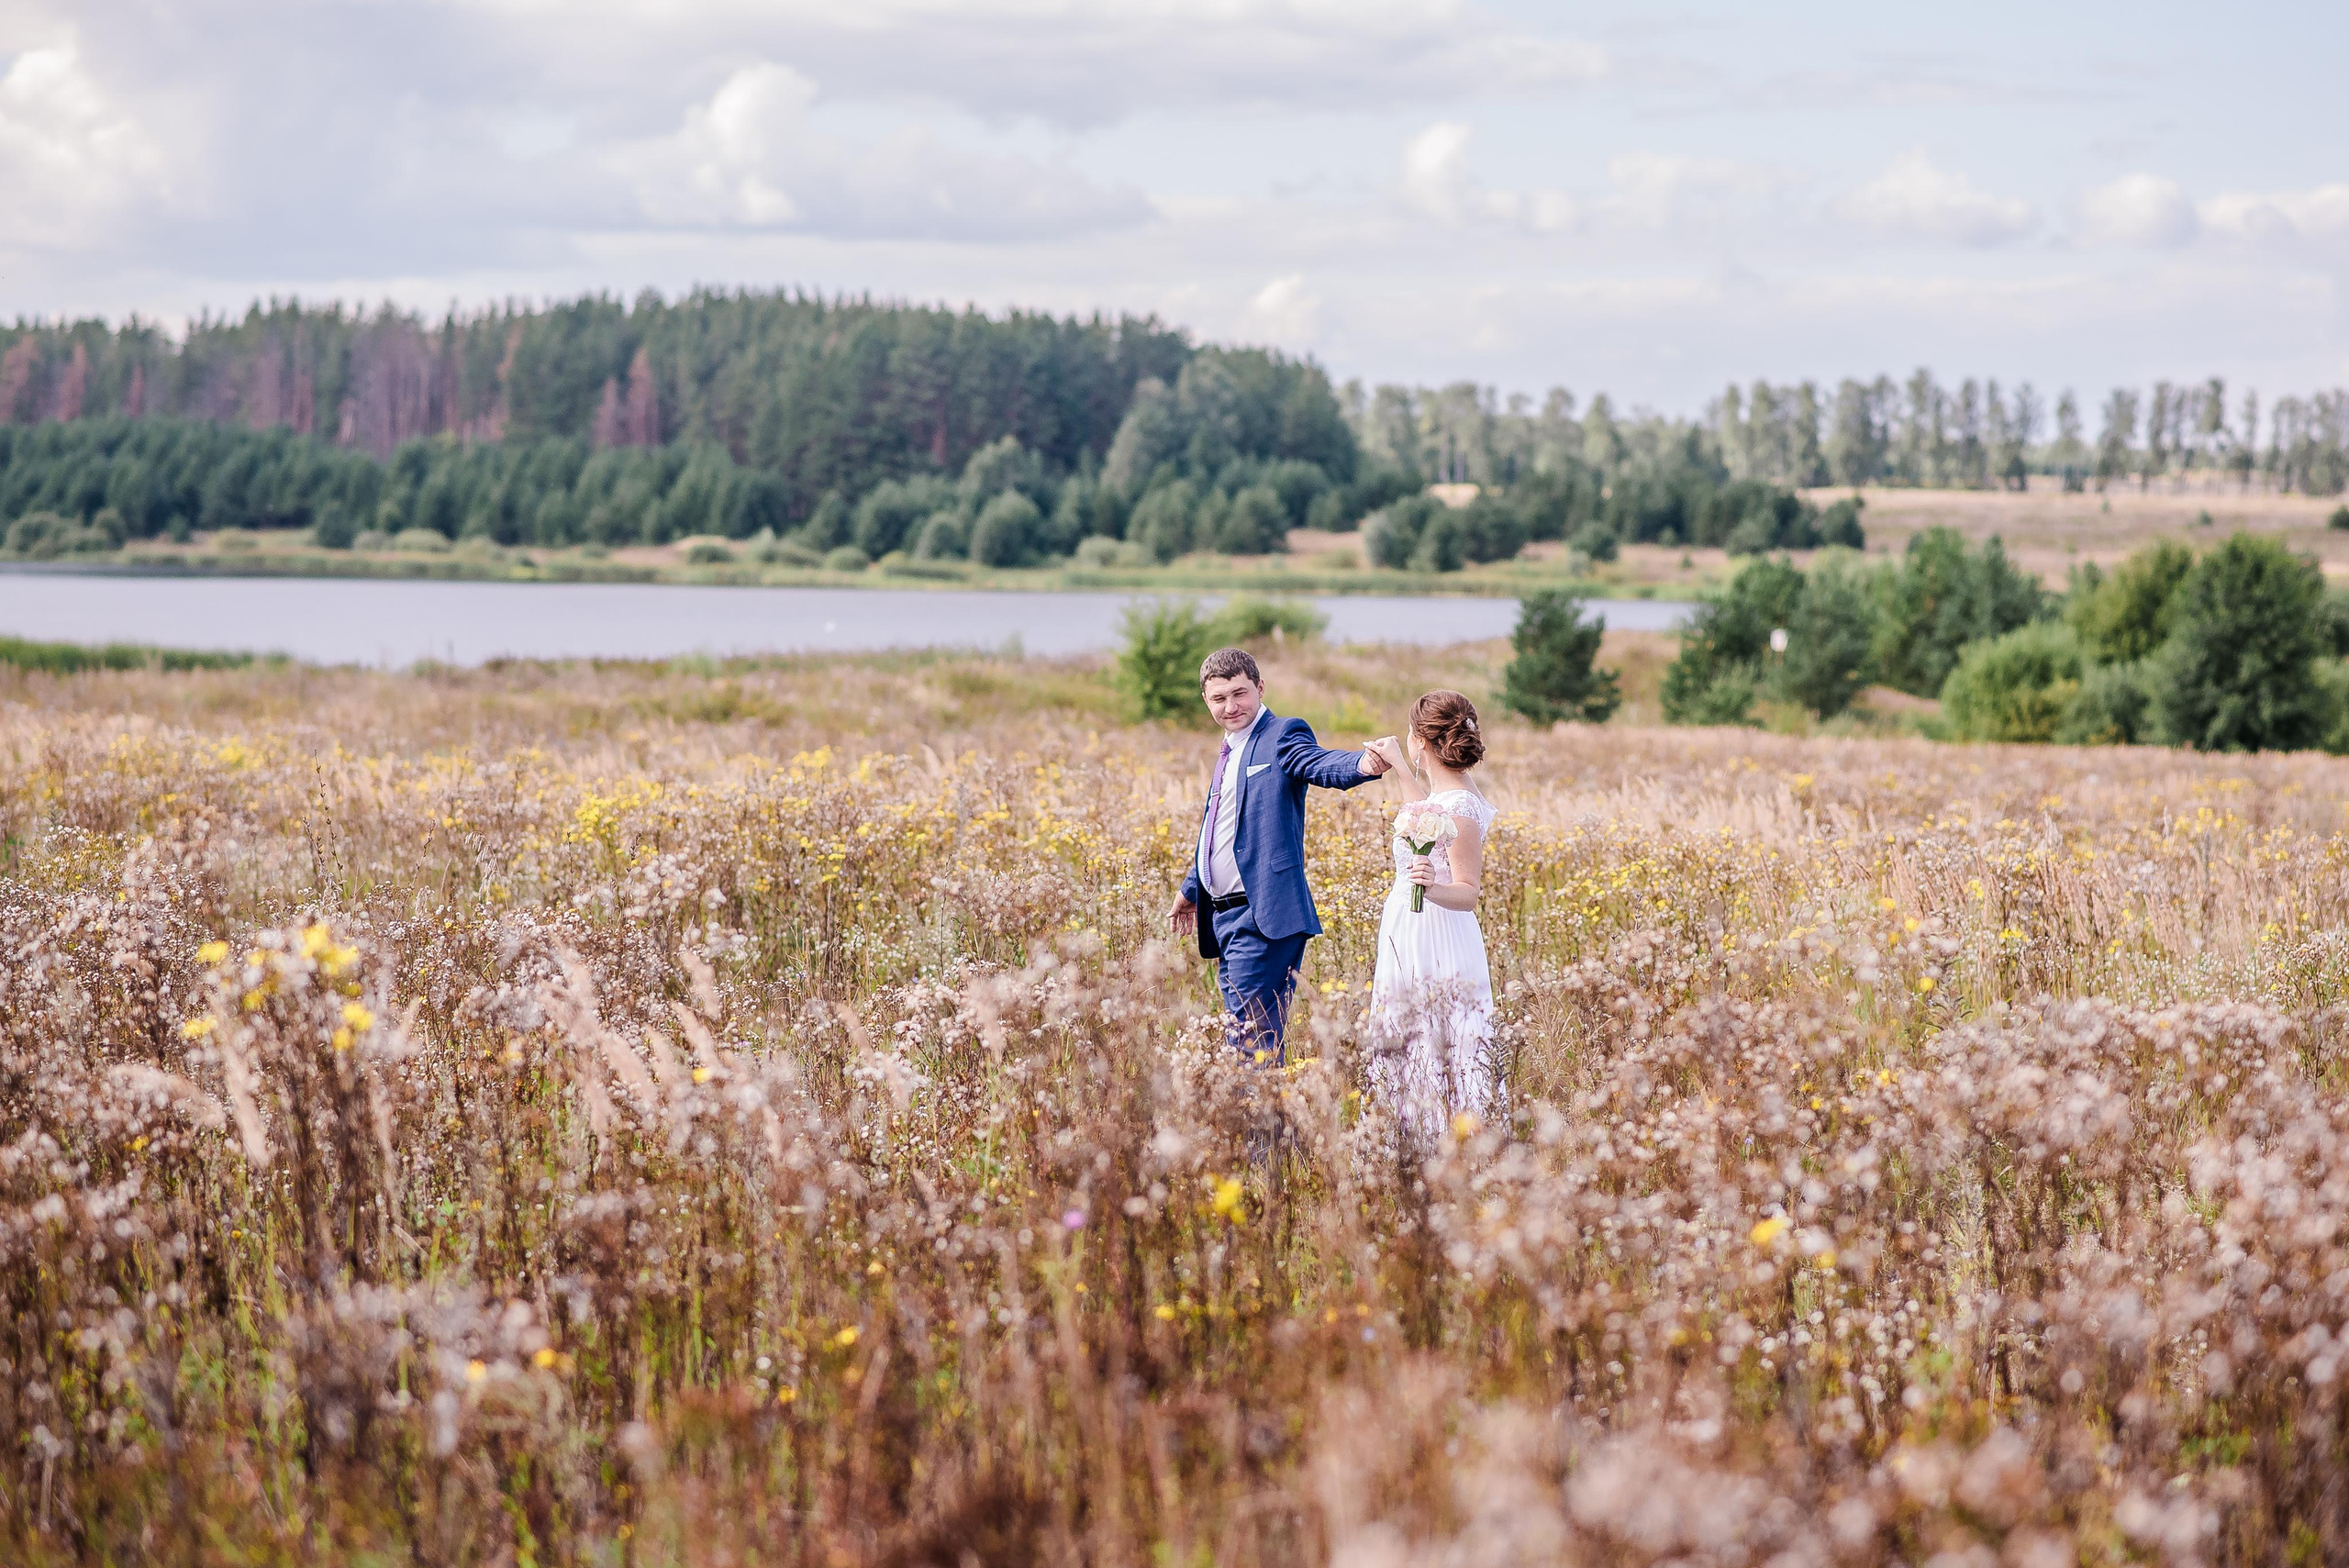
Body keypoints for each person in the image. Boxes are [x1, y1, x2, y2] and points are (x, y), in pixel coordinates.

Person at [1169, 647, 1394, 1064]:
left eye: (1240, 694)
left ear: (1260, 687)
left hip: (1263, 914)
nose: (1231, 707)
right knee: (1255, 1038)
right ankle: (1277, 1129)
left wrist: (1364, 763)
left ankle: (1260, 1130)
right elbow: (1220, 829)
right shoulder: (1230, 748)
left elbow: (1318, 763)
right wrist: (1193, 887)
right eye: (1219, 699)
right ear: (1206, 700)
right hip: (1224, 917)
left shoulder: (1282, 734)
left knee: (1249, 1042)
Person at [1363, 691, 1497, 1133]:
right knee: (1409, 1026)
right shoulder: (1449, 796)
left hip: (1437, 931)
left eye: (1410, 734)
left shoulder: (1461, 809)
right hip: (1407, 925)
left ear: (1421, 740)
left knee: (1438, 1030)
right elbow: (1424, 813)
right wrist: (1401, 766)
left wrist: (1432, 887)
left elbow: (1468, 892)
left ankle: (1441, 1135)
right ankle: (1408, 1132)